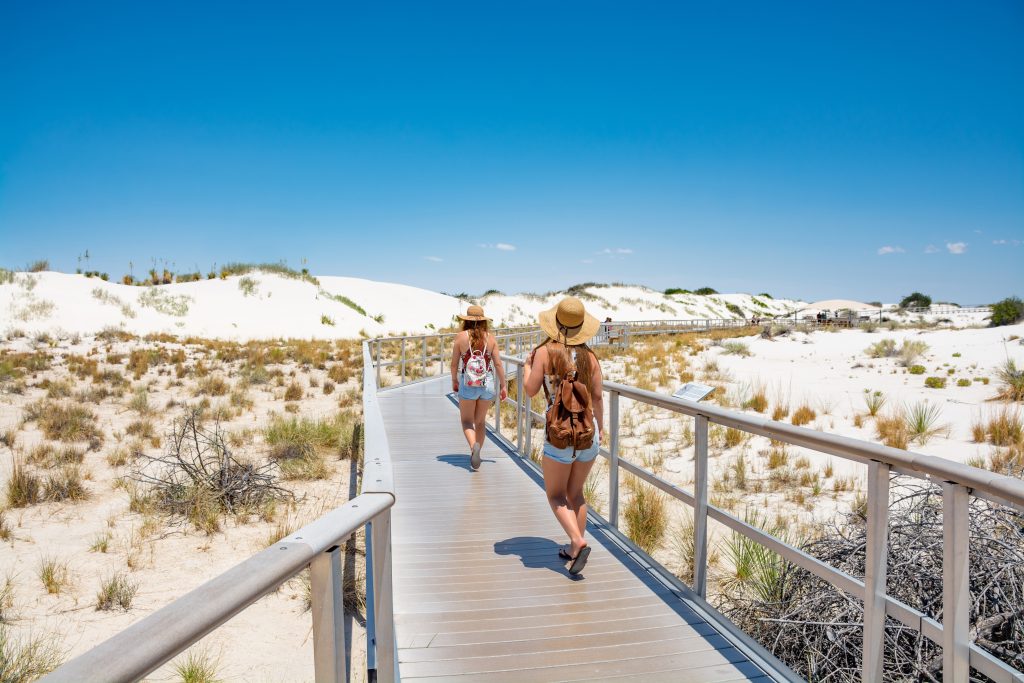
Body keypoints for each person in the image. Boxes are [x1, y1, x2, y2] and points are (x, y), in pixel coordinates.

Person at [523, 297, 603, 575]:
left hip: (558, 435)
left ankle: (578, 542)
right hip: (587, 434)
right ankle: (573, 548)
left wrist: (526, 368)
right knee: (576, 494)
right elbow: (597, 397)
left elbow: (530, 390)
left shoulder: (545, 353)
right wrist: (601, 428)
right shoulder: (589, 356)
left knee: (556, 495)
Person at [450, 305, 506, 471]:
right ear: (483, 321)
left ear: (466, 321)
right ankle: (478, 451)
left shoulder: (460, 337)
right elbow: (497, 364)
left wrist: (454, 380)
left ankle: (473, 445)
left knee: (467, 421)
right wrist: (503, 385)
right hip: (487, 383)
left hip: (468, 384)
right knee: (480, 421)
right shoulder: (491, 338)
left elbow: (454, 364)